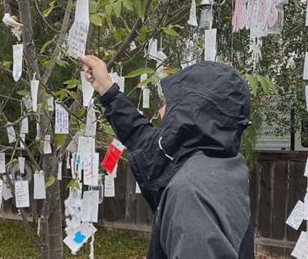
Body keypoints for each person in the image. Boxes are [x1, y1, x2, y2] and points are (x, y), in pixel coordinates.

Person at [80, 55, 254, 259]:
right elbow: (145, 141)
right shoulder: (220, 165)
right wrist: (108, 91)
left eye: (169, 104)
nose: (161, 112)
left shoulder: (193, 194)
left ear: (190, 114)